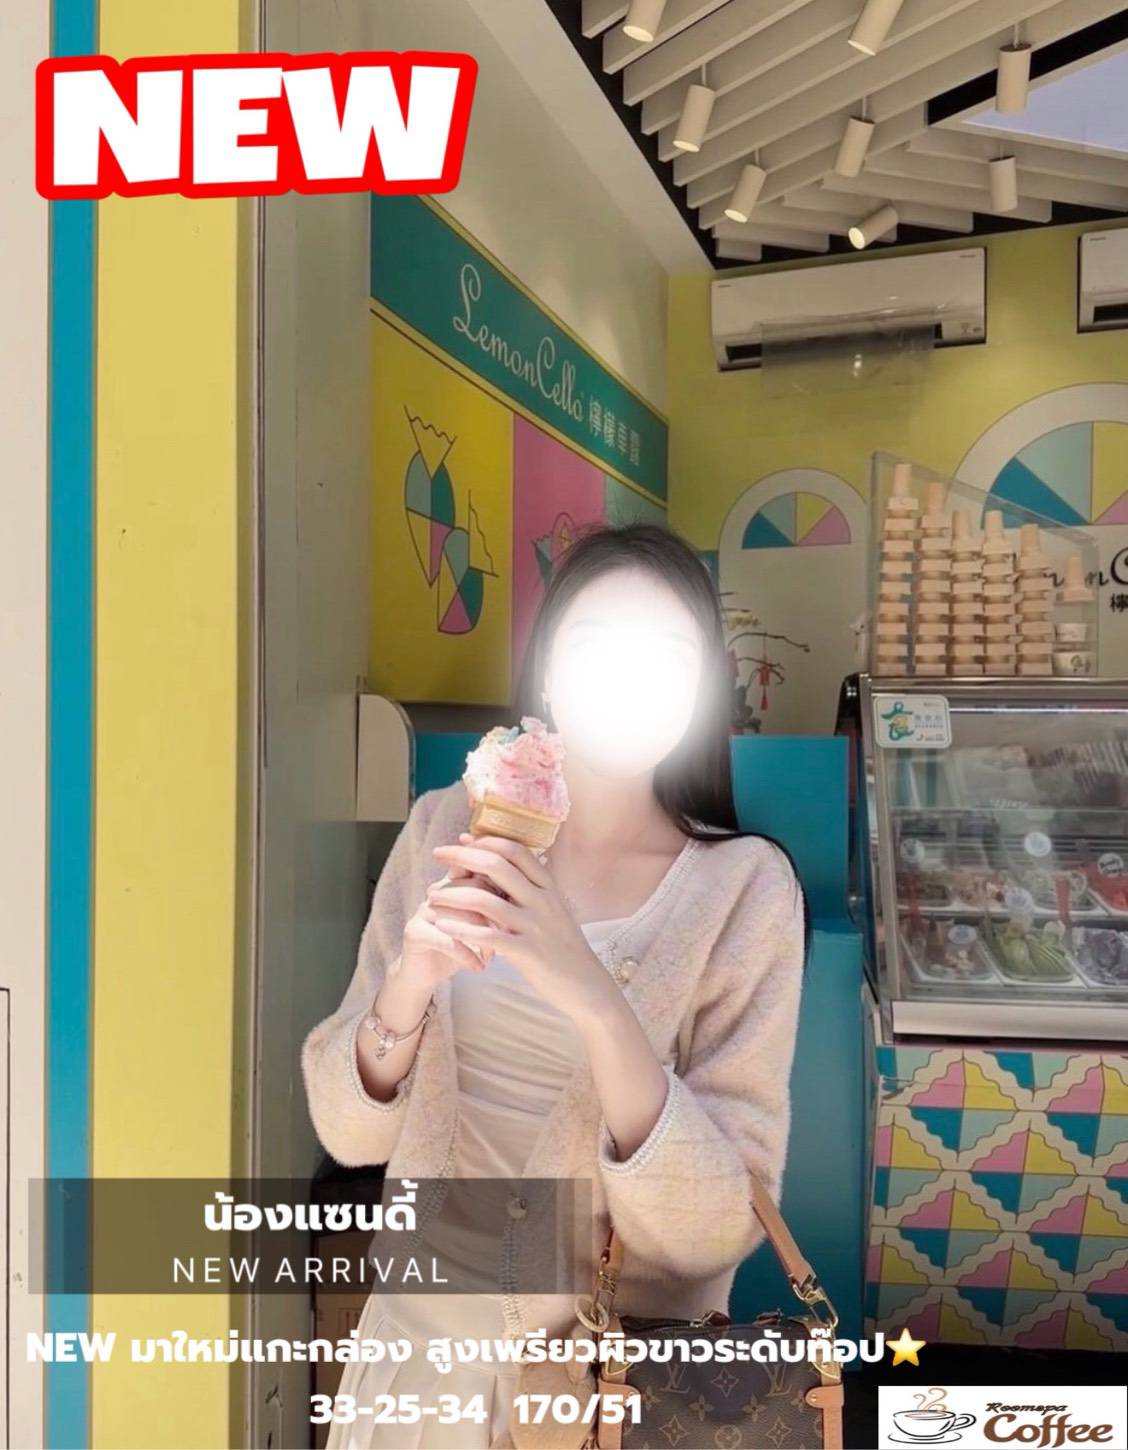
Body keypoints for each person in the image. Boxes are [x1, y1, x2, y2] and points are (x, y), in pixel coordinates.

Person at [301, 522, 807, 1449]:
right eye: (594, 648)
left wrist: (595, 998)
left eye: (665, 657)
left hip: (595, 1393)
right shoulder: (442, 829)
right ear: (545, 675)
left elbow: (711, 1231)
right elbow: (347, 1131)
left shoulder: (744, 891)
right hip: (412, 1361)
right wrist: (409, 984)